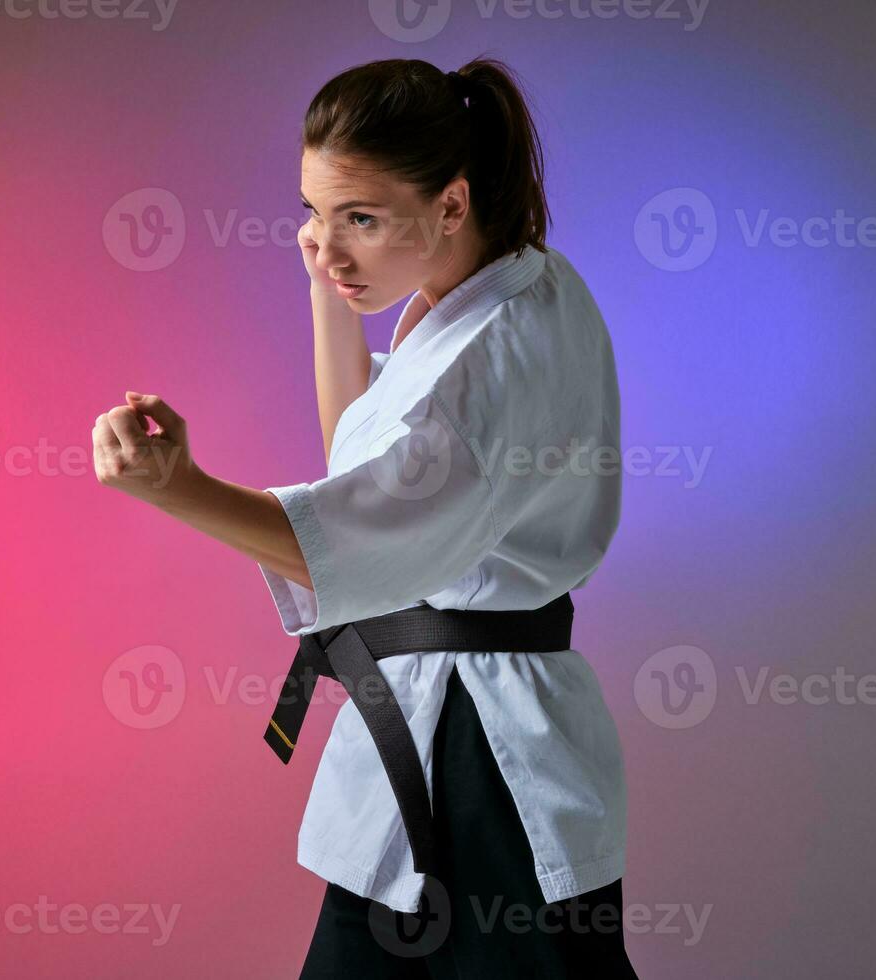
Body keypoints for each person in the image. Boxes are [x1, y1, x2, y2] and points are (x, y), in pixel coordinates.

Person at [92, 56, 639, 977]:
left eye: (360, 219)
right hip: (448, 720)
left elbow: (357, 542)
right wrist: (328, 285)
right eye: (312, 211)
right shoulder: (507, 286)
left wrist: (174, 488)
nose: (327, 242)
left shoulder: (490, 360)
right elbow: (365, 447)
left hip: (485, 754)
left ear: (453, 204)